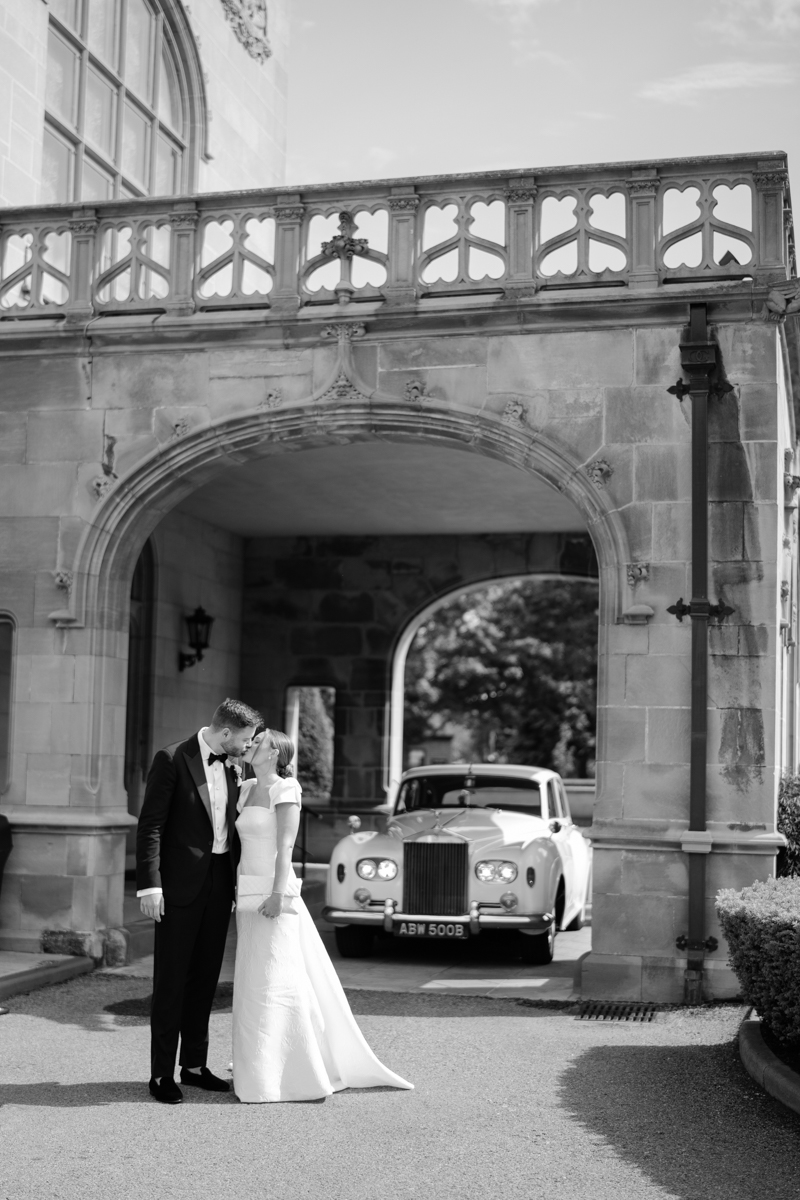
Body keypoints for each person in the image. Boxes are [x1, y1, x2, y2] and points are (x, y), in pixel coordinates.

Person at [232, 729, 413, 1102]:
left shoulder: (287, 790)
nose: (251, 744)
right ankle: (257, 1066)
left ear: (275, 753)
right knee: (252, 979)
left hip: (273, 894)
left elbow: (285, 846)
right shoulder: (246, 788)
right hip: (245, 891)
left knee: (277, 980)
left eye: (259, 741)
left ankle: (295, 1071)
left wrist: (278, 895)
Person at [136, 697, 262, 1105]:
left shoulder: (236, 765)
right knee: (171, 982)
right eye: (244, 739)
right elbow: (151, 825)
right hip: (175, 890)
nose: (246, 746)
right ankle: (160, 1075)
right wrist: (149, 886)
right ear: (226, 732)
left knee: (205, 980)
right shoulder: (171, 758)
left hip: (218, 887)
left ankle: (193, 1066)